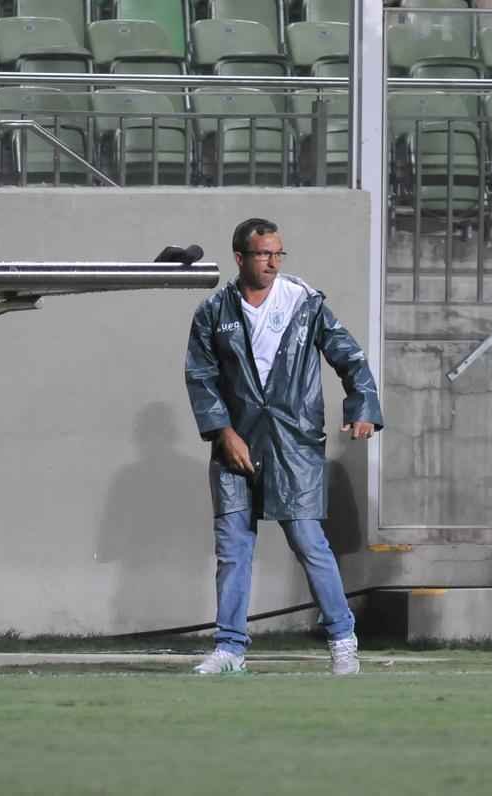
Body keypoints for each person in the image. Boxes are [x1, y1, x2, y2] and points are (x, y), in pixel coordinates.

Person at [184, 217, 383, 675]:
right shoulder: (215, 311)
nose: (273, 262)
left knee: (309, 543)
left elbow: (348, 356)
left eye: (278, 253)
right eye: (263, 254)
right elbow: (201, 376)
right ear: (240, 257)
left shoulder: (304, 303)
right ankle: (230, 648)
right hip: (236, 444)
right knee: (233, 548)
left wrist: (363, 405)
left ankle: (342, 640)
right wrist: (223, 432)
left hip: (294, 443)